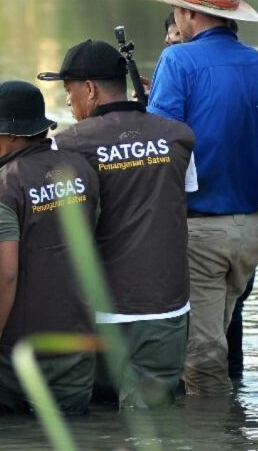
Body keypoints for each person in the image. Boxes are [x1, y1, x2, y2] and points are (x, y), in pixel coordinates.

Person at [143, 0, 258, 395]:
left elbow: (160, 149)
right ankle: (232, 428)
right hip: (250, 232)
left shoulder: (178, 63)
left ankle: (212, 436)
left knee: (201, 364)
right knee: (220, 344)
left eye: (178, 12)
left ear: (188, 13)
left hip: (202, 229)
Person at [38, 40, 197, 408]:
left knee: (96, 421)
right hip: (166, 305)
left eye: (69, 91)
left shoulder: (67, 145)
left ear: (90, 89)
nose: (68, 102)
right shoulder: (178, 135)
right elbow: (181, 203)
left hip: (99, 308)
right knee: (153, 425)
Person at [0, 81, 100, 415]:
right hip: (76, 346)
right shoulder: (80, 169)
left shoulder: (2, 186)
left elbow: (5, 273)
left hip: (17, 355)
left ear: (9, 135)